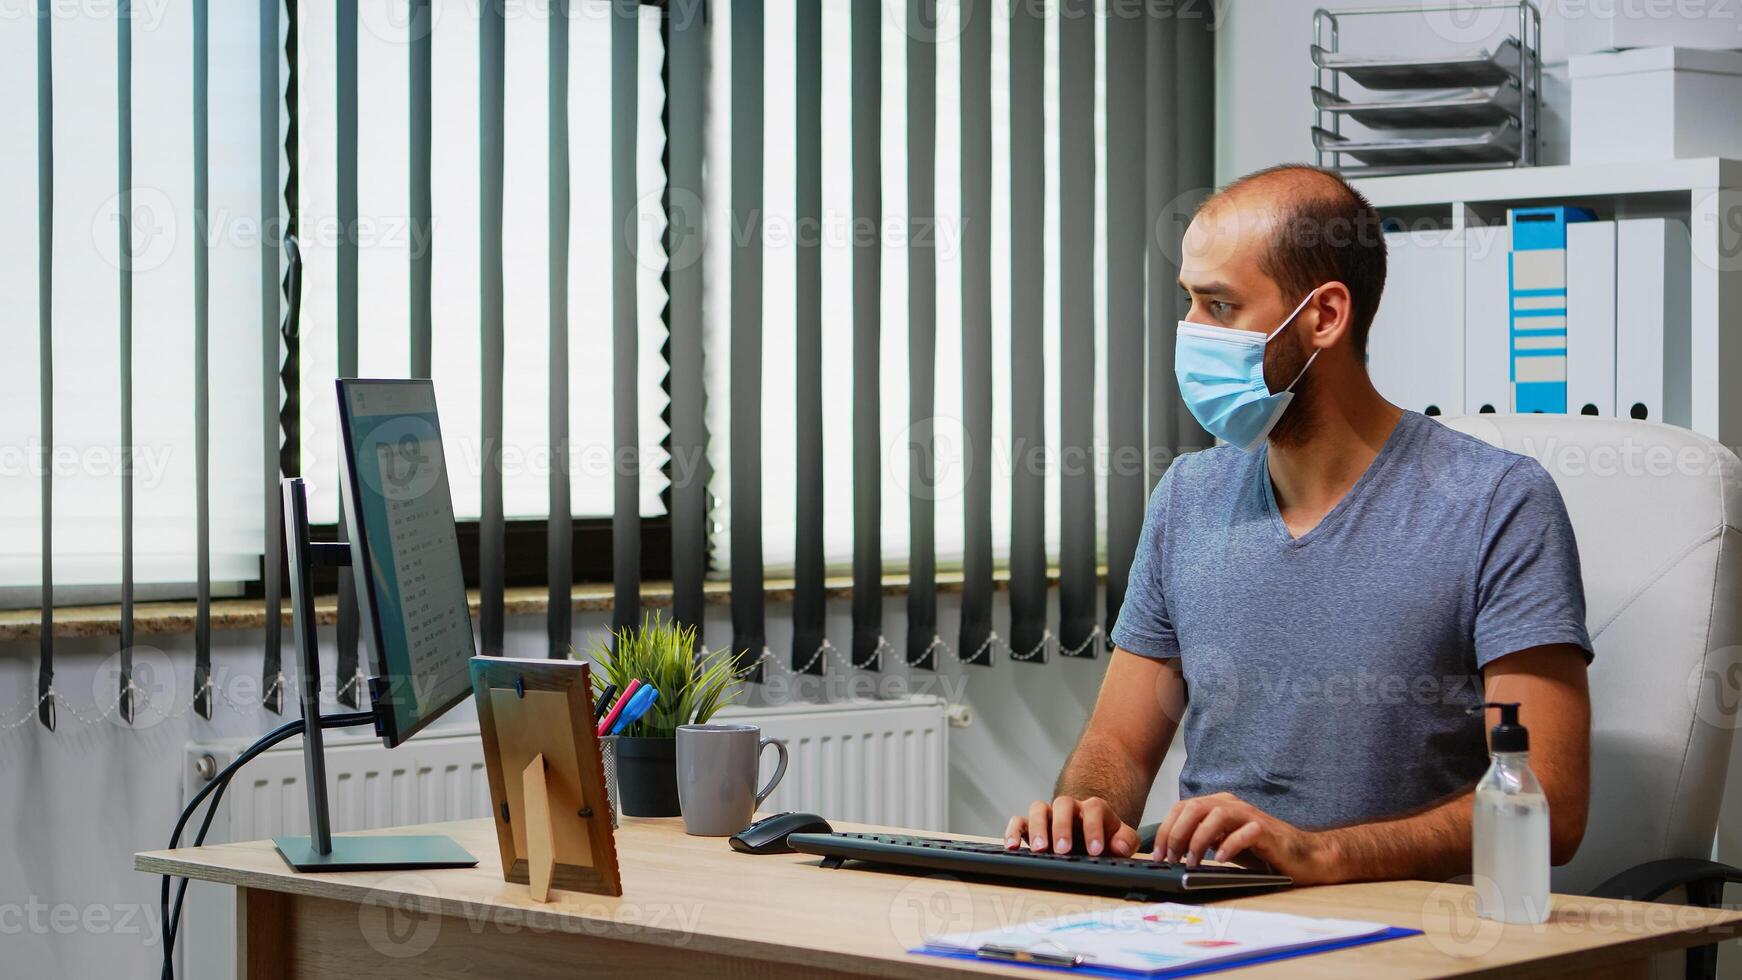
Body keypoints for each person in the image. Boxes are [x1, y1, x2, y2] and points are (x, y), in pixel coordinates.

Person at [1005, 164, 1592, 885]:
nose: (1190, 334)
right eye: (1188, 302)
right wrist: (1084, 813)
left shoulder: (1498, 502)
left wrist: (1325, 855)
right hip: (1209, 925)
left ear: (1324, 317)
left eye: (1220, 308)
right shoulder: (1189, 495)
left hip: (1406, 940)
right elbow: (1119, 748)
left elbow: (1551, 808)